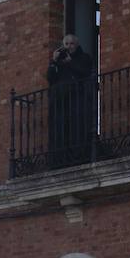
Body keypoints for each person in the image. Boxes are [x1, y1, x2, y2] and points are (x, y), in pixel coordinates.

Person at [46, 33, 94, 164]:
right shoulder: (59, 61)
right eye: (66, 44)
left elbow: (85, 72)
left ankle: (77, 155)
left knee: (76, 129)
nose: (69, 47)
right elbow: (50, 78)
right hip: (60, 101)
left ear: (77, 45)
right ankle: (59, 158)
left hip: (77, 99)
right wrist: (54, 61)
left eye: (71, 44)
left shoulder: (84, 58)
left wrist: (70, 63)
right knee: (60, 129)